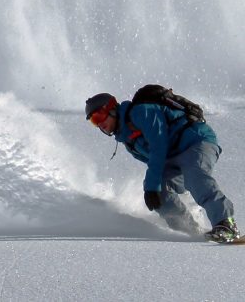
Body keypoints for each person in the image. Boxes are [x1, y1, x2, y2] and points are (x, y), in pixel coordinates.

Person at [85, 92, 240, 243]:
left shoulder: (141, 112)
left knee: (194, 175)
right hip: (173, 158)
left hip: (195, 142)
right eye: (93, 121)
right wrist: (153, 188)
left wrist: (152, 185)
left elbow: (158, 146)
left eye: (99, 116)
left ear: (112, 109)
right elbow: (155, 163)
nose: (99, 124)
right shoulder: (128, 141)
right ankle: (190, 230)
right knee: (159, 192)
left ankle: (226, 224)